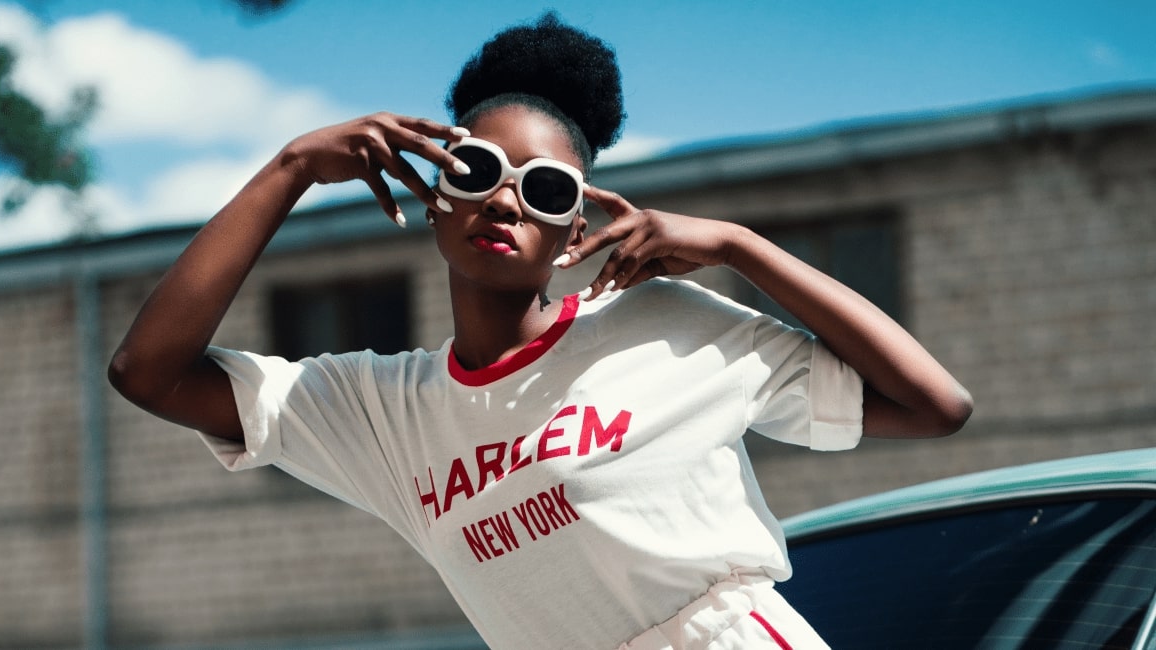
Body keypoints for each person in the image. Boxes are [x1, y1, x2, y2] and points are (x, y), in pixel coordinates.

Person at [109, 13, 972, 650]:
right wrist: (292, 167)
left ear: (573, 231)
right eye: (477, 170)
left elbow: (936, 405)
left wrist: (740, 247)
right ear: (435, 193)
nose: (505, 199)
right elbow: (146, 373)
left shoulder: (668, 328)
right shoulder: (377, 411)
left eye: (547, 189)